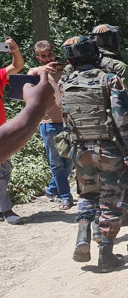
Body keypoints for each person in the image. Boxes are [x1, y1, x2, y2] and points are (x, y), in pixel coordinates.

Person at [60, 36, 128, 271]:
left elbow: (65, 116)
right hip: (109, 149)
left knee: (87, 195)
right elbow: (122, 117)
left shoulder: (65, 83)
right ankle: (106, 255)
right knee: (110, 200)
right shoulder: (110, 80)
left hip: (81, 150)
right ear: (95, 54)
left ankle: (83, 235)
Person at [90, 24, 128, 226]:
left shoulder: (79, 64)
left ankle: (97, 220)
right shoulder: (118, 66)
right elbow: (127, 101)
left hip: (86, 130)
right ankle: (127, 213)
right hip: (116, 129)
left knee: (93, 177)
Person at [28, 40, 74, 210]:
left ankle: (52, 189)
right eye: (44, 56)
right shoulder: (36, 73)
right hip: (48, 124)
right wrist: (43, 71)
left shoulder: (64, 71)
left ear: (54, 54)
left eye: (50, 55)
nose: (48, 59)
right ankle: (65, 196)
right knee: (57, 163)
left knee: (69, 162)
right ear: (38, 58)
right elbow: (28, 73)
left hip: (68, 122)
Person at [0, 37, 26, 225]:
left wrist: (15, 50)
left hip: (2, 132)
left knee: (5, 169)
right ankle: (6, 209)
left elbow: (17, 66)